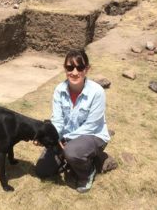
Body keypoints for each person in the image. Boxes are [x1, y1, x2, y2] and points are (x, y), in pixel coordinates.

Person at [35, 49, 111, 193]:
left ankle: (87, 172)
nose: (74, 72)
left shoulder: (97, 92)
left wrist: (65, 140)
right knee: (42, 170)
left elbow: (91, 126)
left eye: (80, 67)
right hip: (66, 139)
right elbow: (57, 121)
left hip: (93, 135)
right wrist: (48, 137)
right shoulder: (59, 90)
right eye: (70, 67)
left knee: (72, 151)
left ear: (87, 69)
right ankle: (70, 158)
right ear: (65, 68)